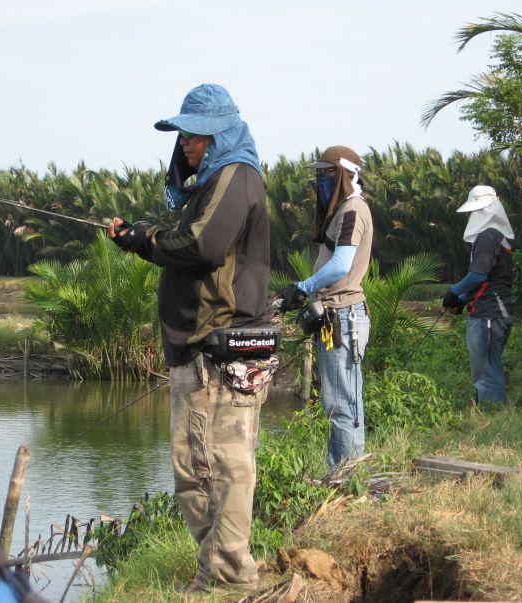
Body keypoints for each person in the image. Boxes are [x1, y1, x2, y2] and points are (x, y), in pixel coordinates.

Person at [108, 83, 274, 593]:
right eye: (183, 134)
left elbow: (201, 245)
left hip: (218, 347)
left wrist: (143, 238)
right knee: (192, 468)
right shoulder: (211, 182)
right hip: (196, 349)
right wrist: (141, 238)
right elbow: (192, 236)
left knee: (224, 464)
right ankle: (220, 569)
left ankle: (227, 574)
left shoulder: (236, 175)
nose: (185, 142)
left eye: (196, 134)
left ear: (221, 134)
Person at [274, 146, 373, 472]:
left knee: (344, 403)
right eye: (319, 173)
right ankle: (340, 473)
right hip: (334, 316)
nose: (322, 178)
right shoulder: (342, 209)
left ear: (345, 174)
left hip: (344, 315)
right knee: (336, 402)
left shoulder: (353, 210)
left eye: (328, 173)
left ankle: (348, 477)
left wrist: (302, 288)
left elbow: (341, 265)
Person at [442, 185, 514, 405]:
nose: (471, 216)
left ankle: (492, 417)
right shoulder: (500, 236)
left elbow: (478, 276)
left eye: (474, 211)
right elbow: (490, 280)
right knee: (488, 364)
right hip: (494, 309)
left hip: (488, 314)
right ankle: (490, 409)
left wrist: (453, 292)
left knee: (486, 369)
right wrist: (463, 301)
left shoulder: (487, 236)